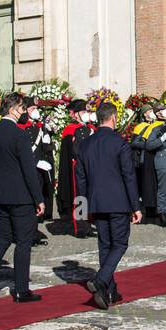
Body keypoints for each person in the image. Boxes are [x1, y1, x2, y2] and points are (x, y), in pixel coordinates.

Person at [0, 92, 44, 304]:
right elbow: (28, 170)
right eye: (23, 109)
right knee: (23, 242)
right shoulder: (19, 135)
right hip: (20, 196)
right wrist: (38, 198)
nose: (24, 113)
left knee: (3, 237)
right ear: (13, 110)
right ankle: (21, 290)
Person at [75, 102, 141, 310]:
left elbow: (81, 180)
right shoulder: (120, 143)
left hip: (95, 202)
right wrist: (136, 206)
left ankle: (110, 291)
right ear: (113, 118)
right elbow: (128, 176)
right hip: (119, 202)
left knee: (105, 245)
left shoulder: (85, 144)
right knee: (120, 244)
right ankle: (101, 279)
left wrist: (81, 210)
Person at [17, 103, 56, 246]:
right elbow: (24, 151)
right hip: (28, 170)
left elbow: (44, 148)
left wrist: (49, 139)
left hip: (38, 172)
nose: (35, 111)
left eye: (36, 108)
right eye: (32, 109)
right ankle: (26, 235)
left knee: (37, 203)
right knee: (29, 204)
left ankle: (34, 233)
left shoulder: (38, 126)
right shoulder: (22, 127)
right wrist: (36, 162)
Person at [57, 100, 96, 237]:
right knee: (80, 197)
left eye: (88, 112)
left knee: (90, 195)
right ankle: (80, 227)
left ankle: (89, 224)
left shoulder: (91, 128)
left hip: (91, 167)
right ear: (77, 115)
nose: (87, 114)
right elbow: (73, 150)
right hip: (78, 167)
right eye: (84, 112)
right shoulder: (71, 129)